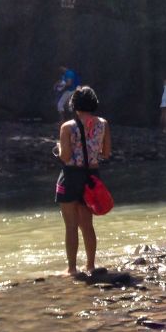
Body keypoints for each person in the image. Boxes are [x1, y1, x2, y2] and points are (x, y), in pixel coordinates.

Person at [55, 86, 111, 277]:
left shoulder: (67, 127)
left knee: (70, 226)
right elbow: (106, 153)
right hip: (92, 176)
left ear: (74, 104)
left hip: (71, 176)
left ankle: (71, 268)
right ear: (94, 103)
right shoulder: (103, 124)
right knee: (87, 225)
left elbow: (66, 156)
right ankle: (91, 266)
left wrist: (59, 148)